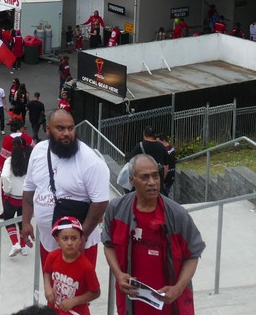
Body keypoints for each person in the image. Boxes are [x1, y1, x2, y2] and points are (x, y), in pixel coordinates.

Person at [102, 154, 204, 315]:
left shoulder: (178, 215)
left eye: (155, 175)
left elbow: (193, 254)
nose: (152, 182)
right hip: (132, 305)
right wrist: (119, 274)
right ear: (132, 180)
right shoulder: (116, 210)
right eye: (144, 177)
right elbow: (108, 245)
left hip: (171, 306)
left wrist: (178, 289)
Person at [22, 110, 111, 267]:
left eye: (71, 128)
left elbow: (100, 202)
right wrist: (26, 221)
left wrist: (82, 237)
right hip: (48, 243)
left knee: (78, 290)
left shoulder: (90, 161)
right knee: (52, 289)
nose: (67, 133)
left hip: (78, 246)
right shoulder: (38, 151)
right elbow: (29, 188)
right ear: (48, 129)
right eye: (60, 128)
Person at [44, 216, 101, 315]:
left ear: (80, 240)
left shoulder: (86, 267)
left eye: (74, 238)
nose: (70, 243)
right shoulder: (52, 256)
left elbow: (95, 292)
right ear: (57, 240)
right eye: (65, 239)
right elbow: (47, 272)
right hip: (53, 310)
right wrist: (47, 288)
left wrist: (74, 301)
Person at [1, 135, 33, 256]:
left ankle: (15, 244)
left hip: (13, 196)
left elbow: (4, 176)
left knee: (8, 218)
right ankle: (23, 246)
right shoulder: (29, 159)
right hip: (26, 197)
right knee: (22, 220)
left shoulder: (9, 160)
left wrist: (7, 190)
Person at [125, 127, 176, 196]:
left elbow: (131, 163)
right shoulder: (161, 146)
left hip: (143, 179)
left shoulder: (139, 146)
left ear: (144, 134)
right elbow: (166, 166)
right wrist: (161, 179)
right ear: (154, 135)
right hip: (158, 179)